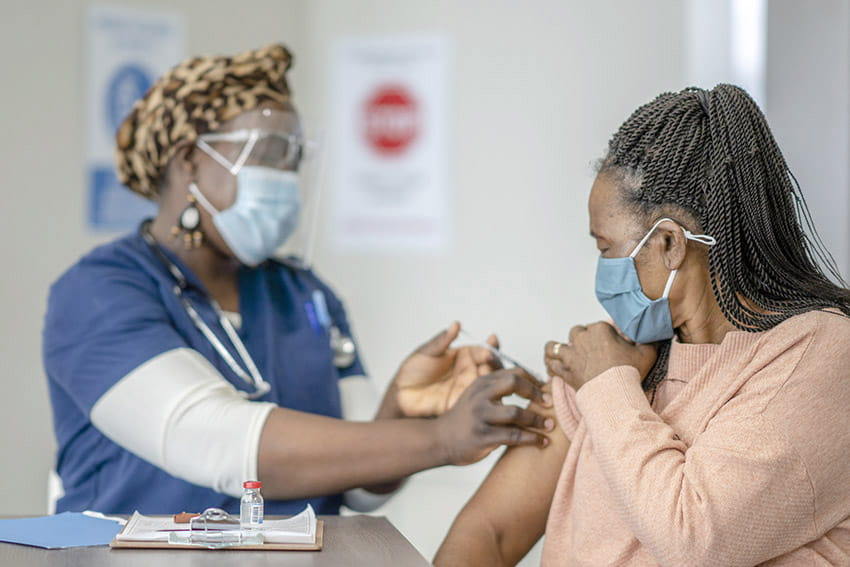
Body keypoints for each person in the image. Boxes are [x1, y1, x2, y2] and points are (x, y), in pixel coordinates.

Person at [42, 43, 553, 516]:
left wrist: (401, 410)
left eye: (293, 157)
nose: (284, 176)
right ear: (189, 161)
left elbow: (358, 487)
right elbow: (217, 443)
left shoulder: (303, 292)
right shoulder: (98, 293)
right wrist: (441, 438)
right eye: (266, 154)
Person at [435, 84, 850, 566]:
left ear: (670, 244)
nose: (601, 269)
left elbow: (692, 540)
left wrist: (609, 384)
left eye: (605, 247)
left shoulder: (817, 355)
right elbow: (489, 531)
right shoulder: (619, 357)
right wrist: (606, 377)